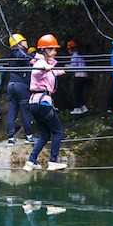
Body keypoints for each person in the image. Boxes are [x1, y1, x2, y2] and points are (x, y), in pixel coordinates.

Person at [23, 34, 67, 172]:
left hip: (34, 104)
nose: (55, 52)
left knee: (45, 135)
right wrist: (46, 66)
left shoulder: (47, 65)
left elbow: (50, 73)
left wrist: (63, 70)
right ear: (45, 50)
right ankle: (53, 162)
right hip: (43, 103)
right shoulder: (40, 63)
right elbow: (38, 71)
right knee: (58, 131)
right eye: (53, 49)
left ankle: (31, 161)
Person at [6, 33, 35, 146]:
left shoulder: (11, 55)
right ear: (19, 43)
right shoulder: (20, 53)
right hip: (20, 86)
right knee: (25, 111)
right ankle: (29, 136)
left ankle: (10, 138)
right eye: (24, 41)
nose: (26, 42)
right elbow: (22, 57)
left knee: (12, 110)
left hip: (11, 85)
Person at [65, 40, 90, 115]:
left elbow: (73, 67)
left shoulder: (74, 56)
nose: (68, 51)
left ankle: (77, 108)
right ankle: (83, 107)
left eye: (69, 49)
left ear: (71, 49)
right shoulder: (79, 55)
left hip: (79, 76)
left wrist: (67, 66)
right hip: (84, 76)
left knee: (76, 92)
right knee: (80, 92)